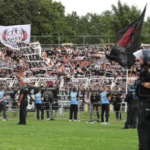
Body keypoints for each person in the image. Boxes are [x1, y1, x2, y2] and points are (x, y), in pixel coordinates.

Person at [133, 49, 150, 150]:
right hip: (144, 102)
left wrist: (141, 83)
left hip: (147, 104)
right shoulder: (145, 70)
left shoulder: (148, 70)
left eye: (141, 58)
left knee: (143, 129)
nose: (139, 60)